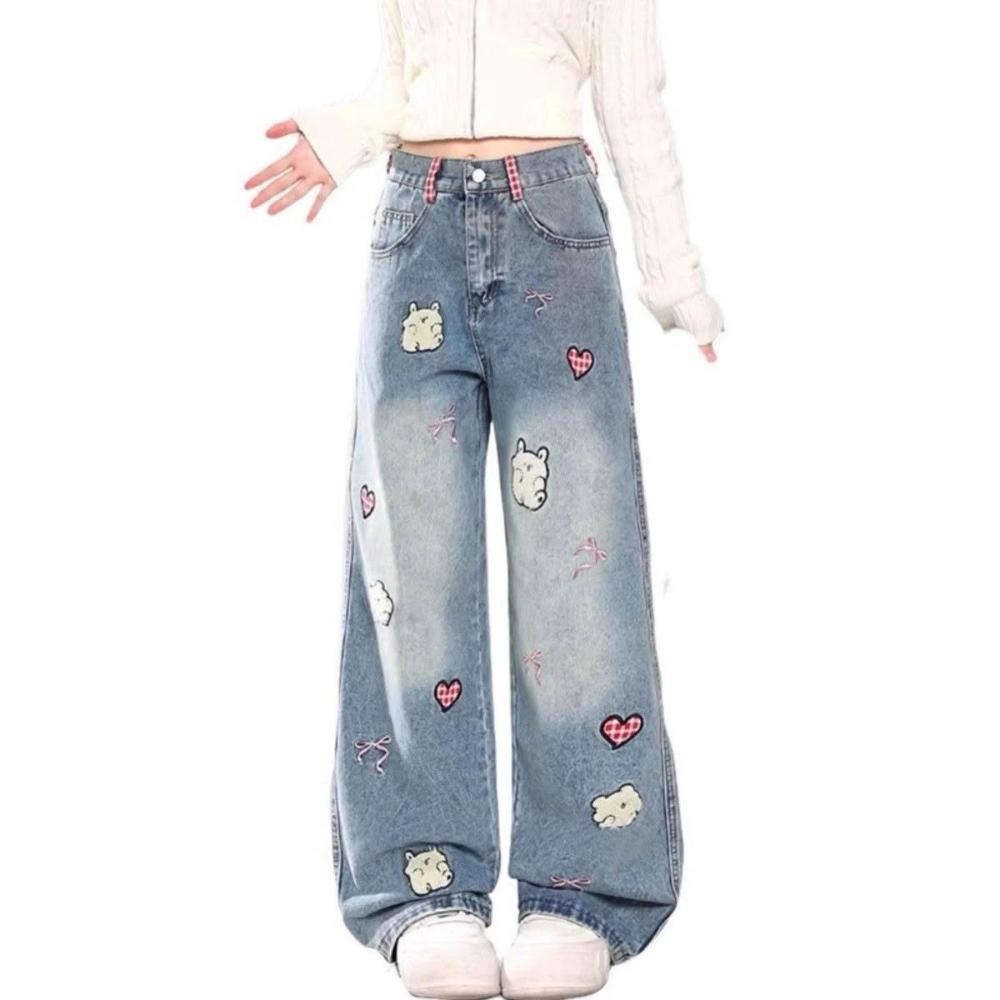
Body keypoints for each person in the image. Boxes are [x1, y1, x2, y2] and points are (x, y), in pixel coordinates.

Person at [246, 2, 722, 997]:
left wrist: (675, 277)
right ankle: (424, 887)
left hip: (553, 224)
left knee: (578, 562)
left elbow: (631, 101)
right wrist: (343, 134)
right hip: (412, 221)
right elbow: (401, 80)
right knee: (408, 568)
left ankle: (581, 888)